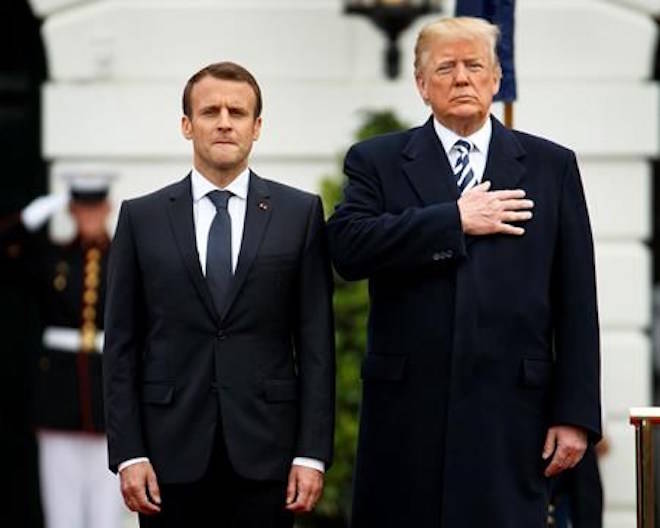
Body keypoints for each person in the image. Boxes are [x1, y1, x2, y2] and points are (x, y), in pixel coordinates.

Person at [326, 17, 601, 527]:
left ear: (496, 79)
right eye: (445, 67)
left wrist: (575, 414)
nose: (461, 78)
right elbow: (346, 248)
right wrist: (451, 220)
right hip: (408, 417)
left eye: (474, 65)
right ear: (421, 83)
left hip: (512, 416)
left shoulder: (550, 166)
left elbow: (577, 300)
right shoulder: (378, 161)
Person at [103, 61, 335, 528]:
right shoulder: (140, 218)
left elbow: (315, 345)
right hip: (168, 456)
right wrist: (128, 454)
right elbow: (121, 346)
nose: (225, 122)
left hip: (267, 452)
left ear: (257, 127)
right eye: (210, 111)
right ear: (187, 125)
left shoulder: (300, 213)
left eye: (238, 112)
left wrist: (311, 454)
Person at [0, 175, 124, 528]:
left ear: (108, 208)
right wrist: (27, 220)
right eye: (81, 208)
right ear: (71, 210)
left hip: (109, 401)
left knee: (106, 515)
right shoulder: (51, 258)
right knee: (62, 514)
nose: (89, 215)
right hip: (57, 397)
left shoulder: (125, 260)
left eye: (95, 208)